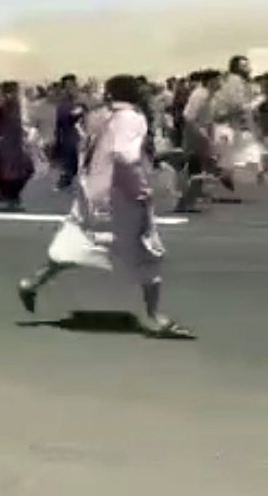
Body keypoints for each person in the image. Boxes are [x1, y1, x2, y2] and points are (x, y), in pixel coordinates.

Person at [18, 74, 194, 339]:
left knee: (79, 239)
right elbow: (124, 156)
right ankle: (155, 317)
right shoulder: (132, 119)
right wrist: (141, 190)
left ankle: (33, 282)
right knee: (148, 254)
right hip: (120, 198)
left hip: (92, 194)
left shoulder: (98, 116)